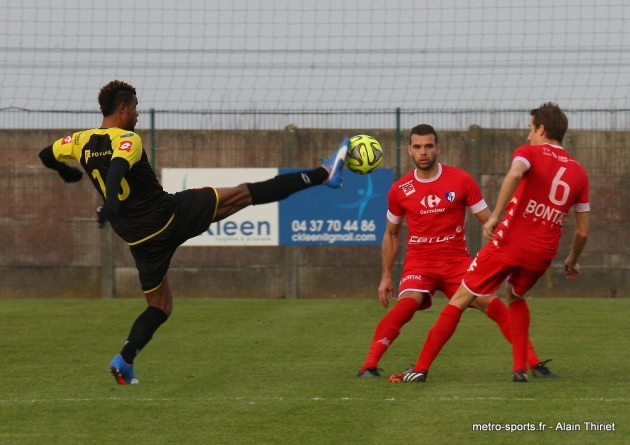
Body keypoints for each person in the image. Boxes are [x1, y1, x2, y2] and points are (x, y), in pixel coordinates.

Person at [38, 80, 350, 385]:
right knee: (243, 194)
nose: (137, 115)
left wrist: (68, 171)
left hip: (138, 239)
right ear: (122, 108)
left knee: (160, 305)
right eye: (135, 108)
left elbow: (45, 155)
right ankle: (325, 174)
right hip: (167, 216)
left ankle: (124, 359)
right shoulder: (128, 140)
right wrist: (109, 203)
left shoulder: (79, 141)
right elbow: (118, 166)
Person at [391, 103, 589, 383]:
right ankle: (520, 368)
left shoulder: (528, 152)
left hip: (508, 245)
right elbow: (582, 232)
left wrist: (495, 216)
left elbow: (515, 173)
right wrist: (572, 260)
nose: (528, 135)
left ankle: (421, 367)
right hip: (544, 254)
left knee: (460, 299)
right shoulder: (579, 172)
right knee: (516, 295)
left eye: (530, 129)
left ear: (541, 129)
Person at [357, 124, 555, 379]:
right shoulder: (399, 189)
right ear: (409, 150)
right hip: (420, 263)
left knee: (490, 303)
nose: (423, 152)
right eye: (417, 147)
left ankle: (534, 362)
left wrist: (513, 247)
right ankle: (368, 366)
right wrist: (385, 276)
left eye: (428, 146)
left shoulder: (461, 180)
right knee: (406, 305)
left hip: (456, 262)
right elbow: (392, 234)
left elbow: (489, 220)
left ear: (437, 148)